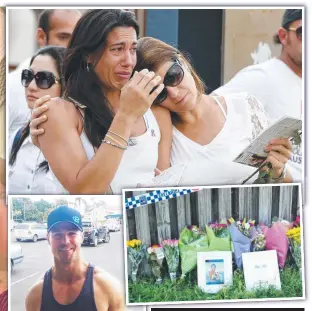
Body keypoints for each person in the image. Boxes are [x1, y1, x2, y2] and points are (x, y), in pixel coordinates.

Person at [28, 9, 171, 194]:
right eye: (117, 49)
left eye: (133, 49)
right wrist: (125, 116)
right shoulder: (59, 112)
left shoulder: (152, 109)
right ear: (88, 54)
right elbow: (87, 192)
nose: (128, 61)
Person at [132, 36, 292, 184]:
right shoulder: (161, 132)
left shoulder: (243, 106)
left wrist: (278, 171)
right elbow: (161, 198)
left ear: (183, 62)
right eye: (159, 92)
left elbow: (280, 183)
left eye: (173, 76)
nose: (173, 93)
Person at [214, 9, 302, 181]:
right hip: (278, 196)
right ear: (284, 36)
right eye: (303, 32)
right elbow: (208, 111)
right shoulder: (261, 76)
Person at [25, 205, 124, 311]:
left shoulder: (107, 287)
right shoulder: (36, 295)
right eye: (57, 235)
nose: (65, 241)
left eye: (72, 233)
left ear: (82, 236)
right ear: (48, 239)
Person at [8, 9, 82, 140]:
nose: (72, 46)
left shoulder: (85, 82)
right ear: (41, 36)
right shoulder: (11, 87)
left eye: (77, 39)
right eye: (63, 37)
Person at [8, 46, 67, 194]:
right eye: (27, 76)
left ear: (66, 85)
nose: (31, 87)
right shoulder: (15, 137)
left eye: (44, 79)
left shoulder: (81, 143)